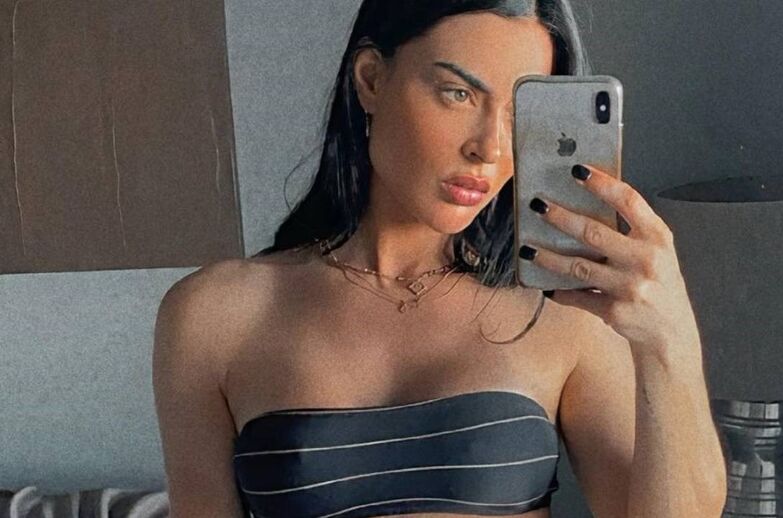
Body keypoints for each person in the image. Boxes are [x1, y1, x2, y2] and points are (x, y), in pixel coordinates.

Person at [152, 1, 728, 517]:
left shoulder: (562, 310)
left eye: (520, 112)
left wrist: (670, 340)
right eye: (459, 94)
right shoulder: (214, 317)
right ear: (371, 79)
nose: (490, 148)